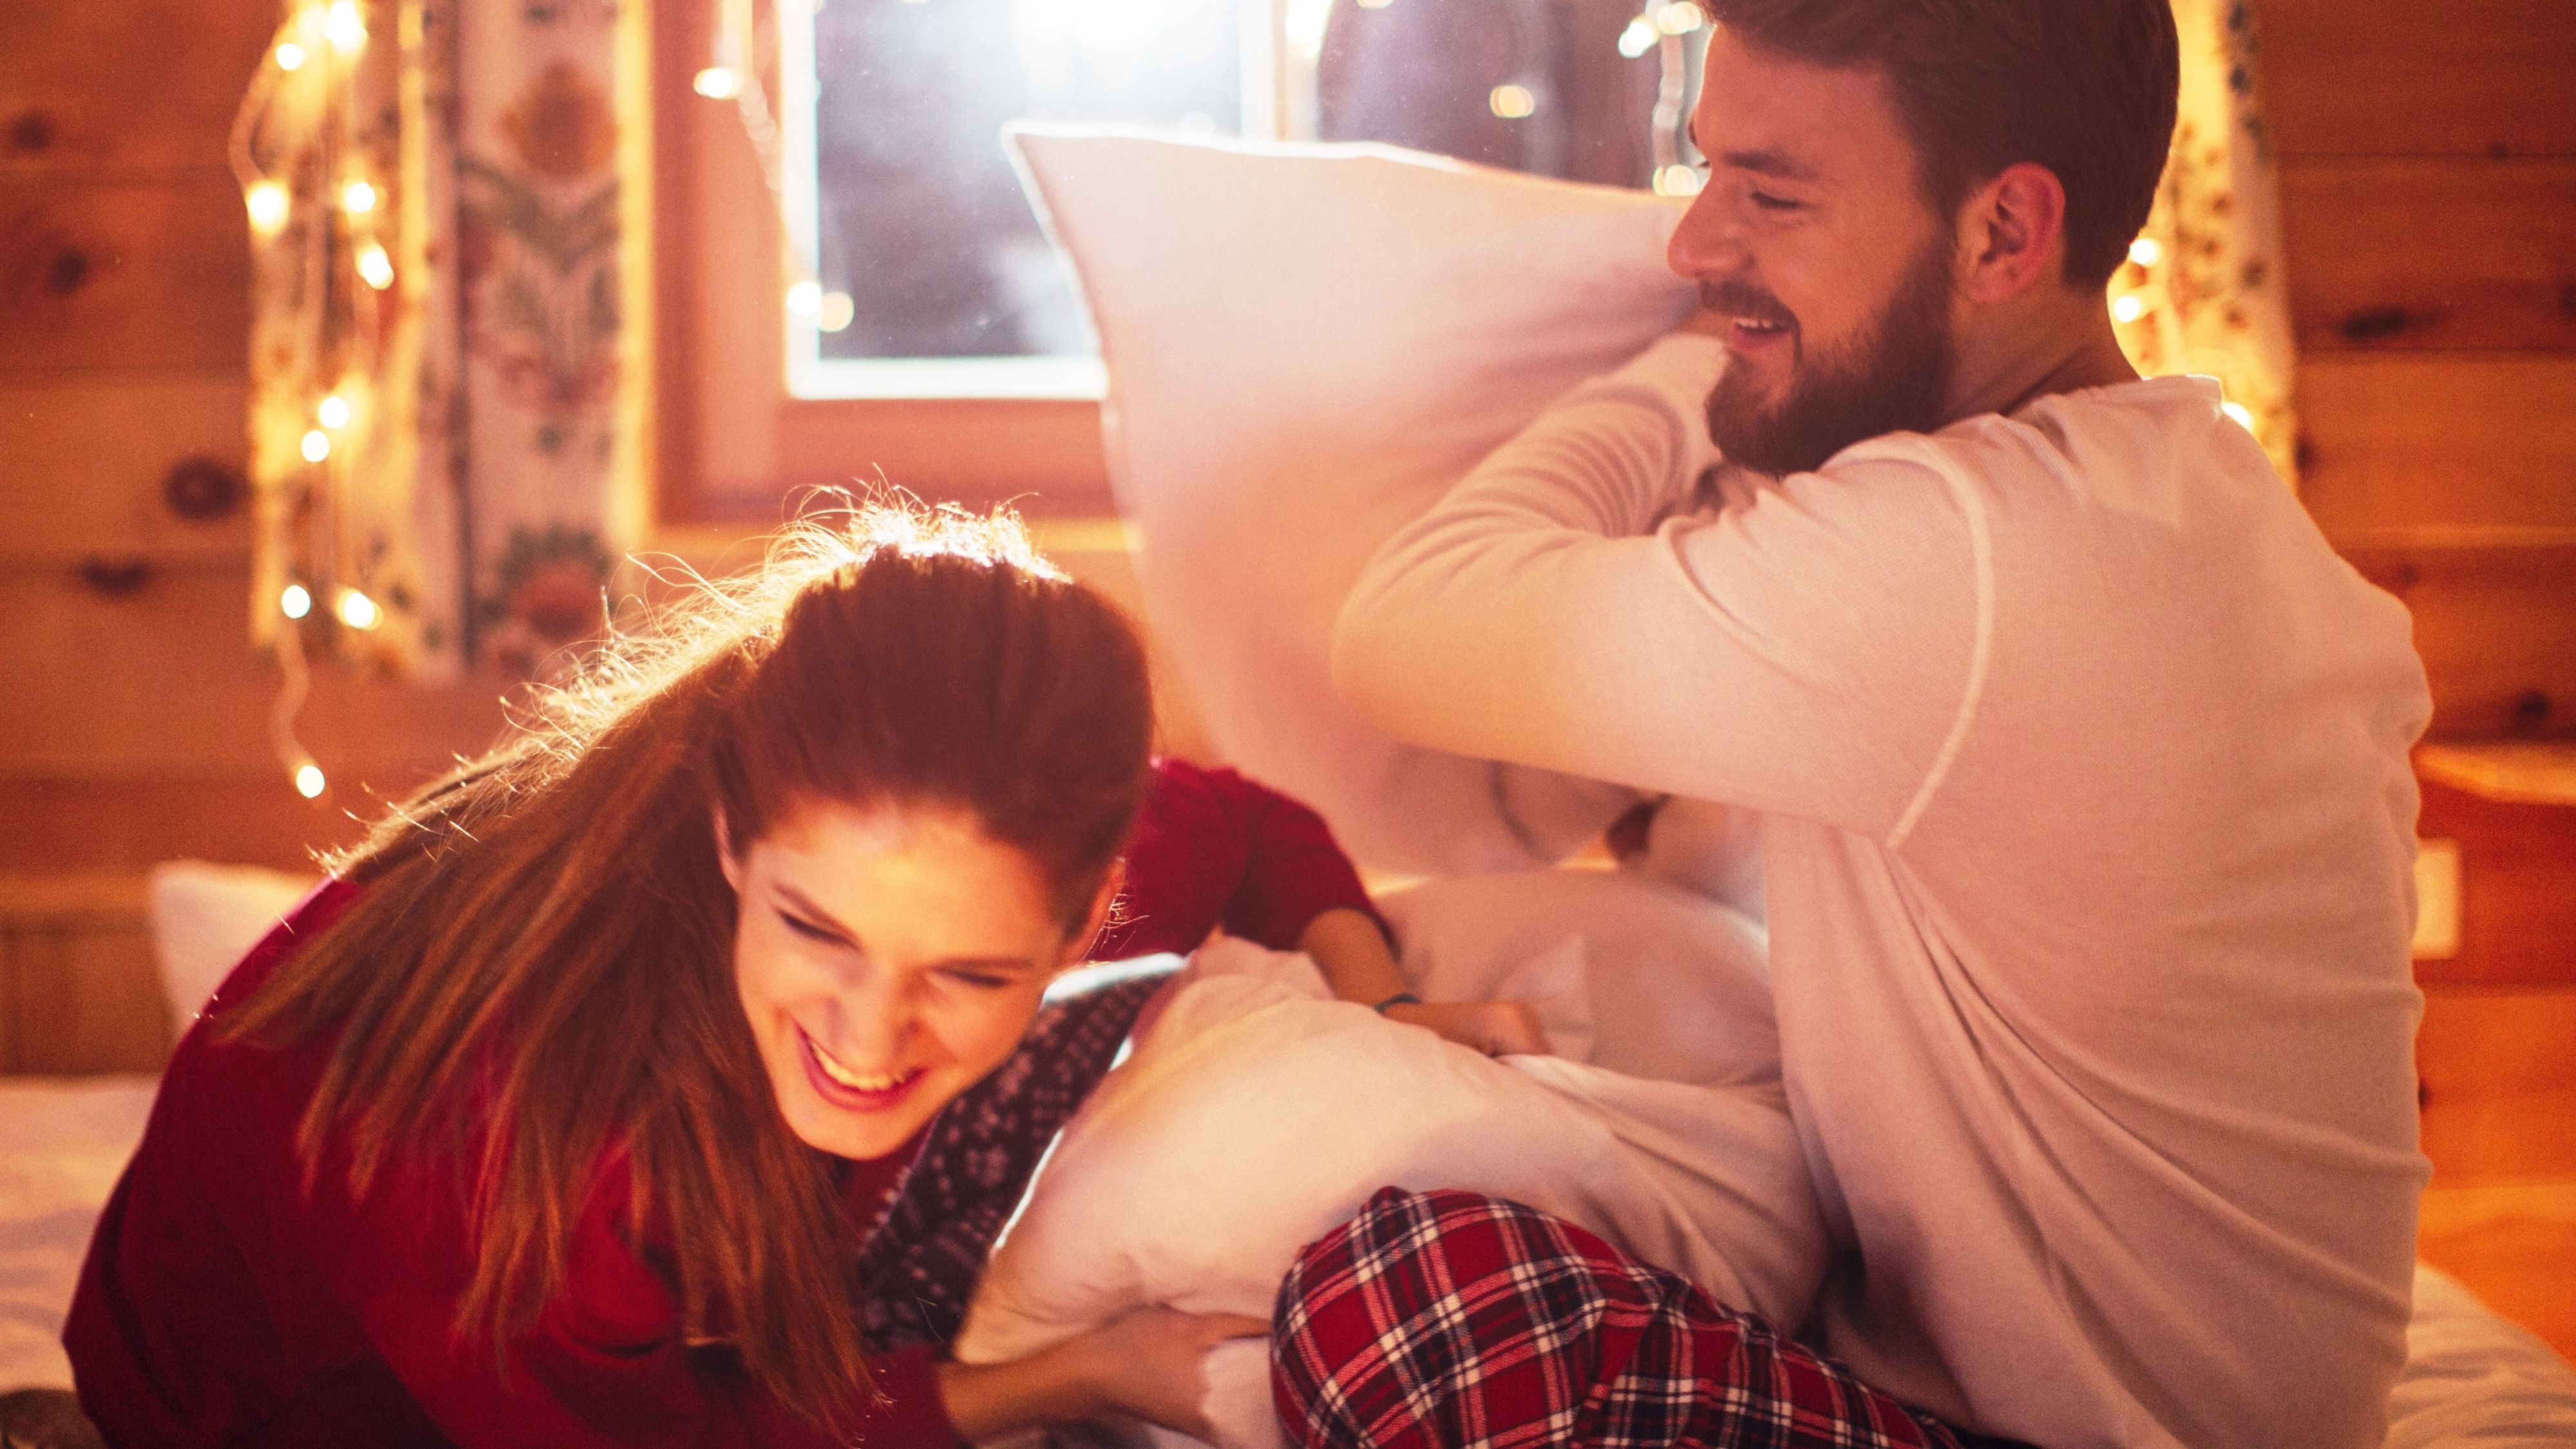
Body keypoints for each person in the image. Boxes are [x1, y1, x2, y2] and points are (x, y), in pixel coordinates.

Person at [1311, 3, 2431, 1448]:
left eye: (1770, 197)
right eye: (1701, 169)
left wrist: (1691, 380)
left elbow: (1399, 627)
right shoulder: (2195, 509)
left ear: (2000, 237)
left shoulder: (1964, 552)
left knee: (1390, 1296)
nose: (1692, 249)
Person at [59, 506, 1488, 1447]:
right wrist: (1072, 1375)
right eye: (818, 931)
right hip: (272, 1405)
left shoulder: (989, 849)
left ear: (1073, 930)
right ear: (732, 839)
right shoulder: (530, 1137)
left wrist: (1386, 1005)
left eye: (970, 975)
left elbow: (1251, 831)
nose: (870, 1035)